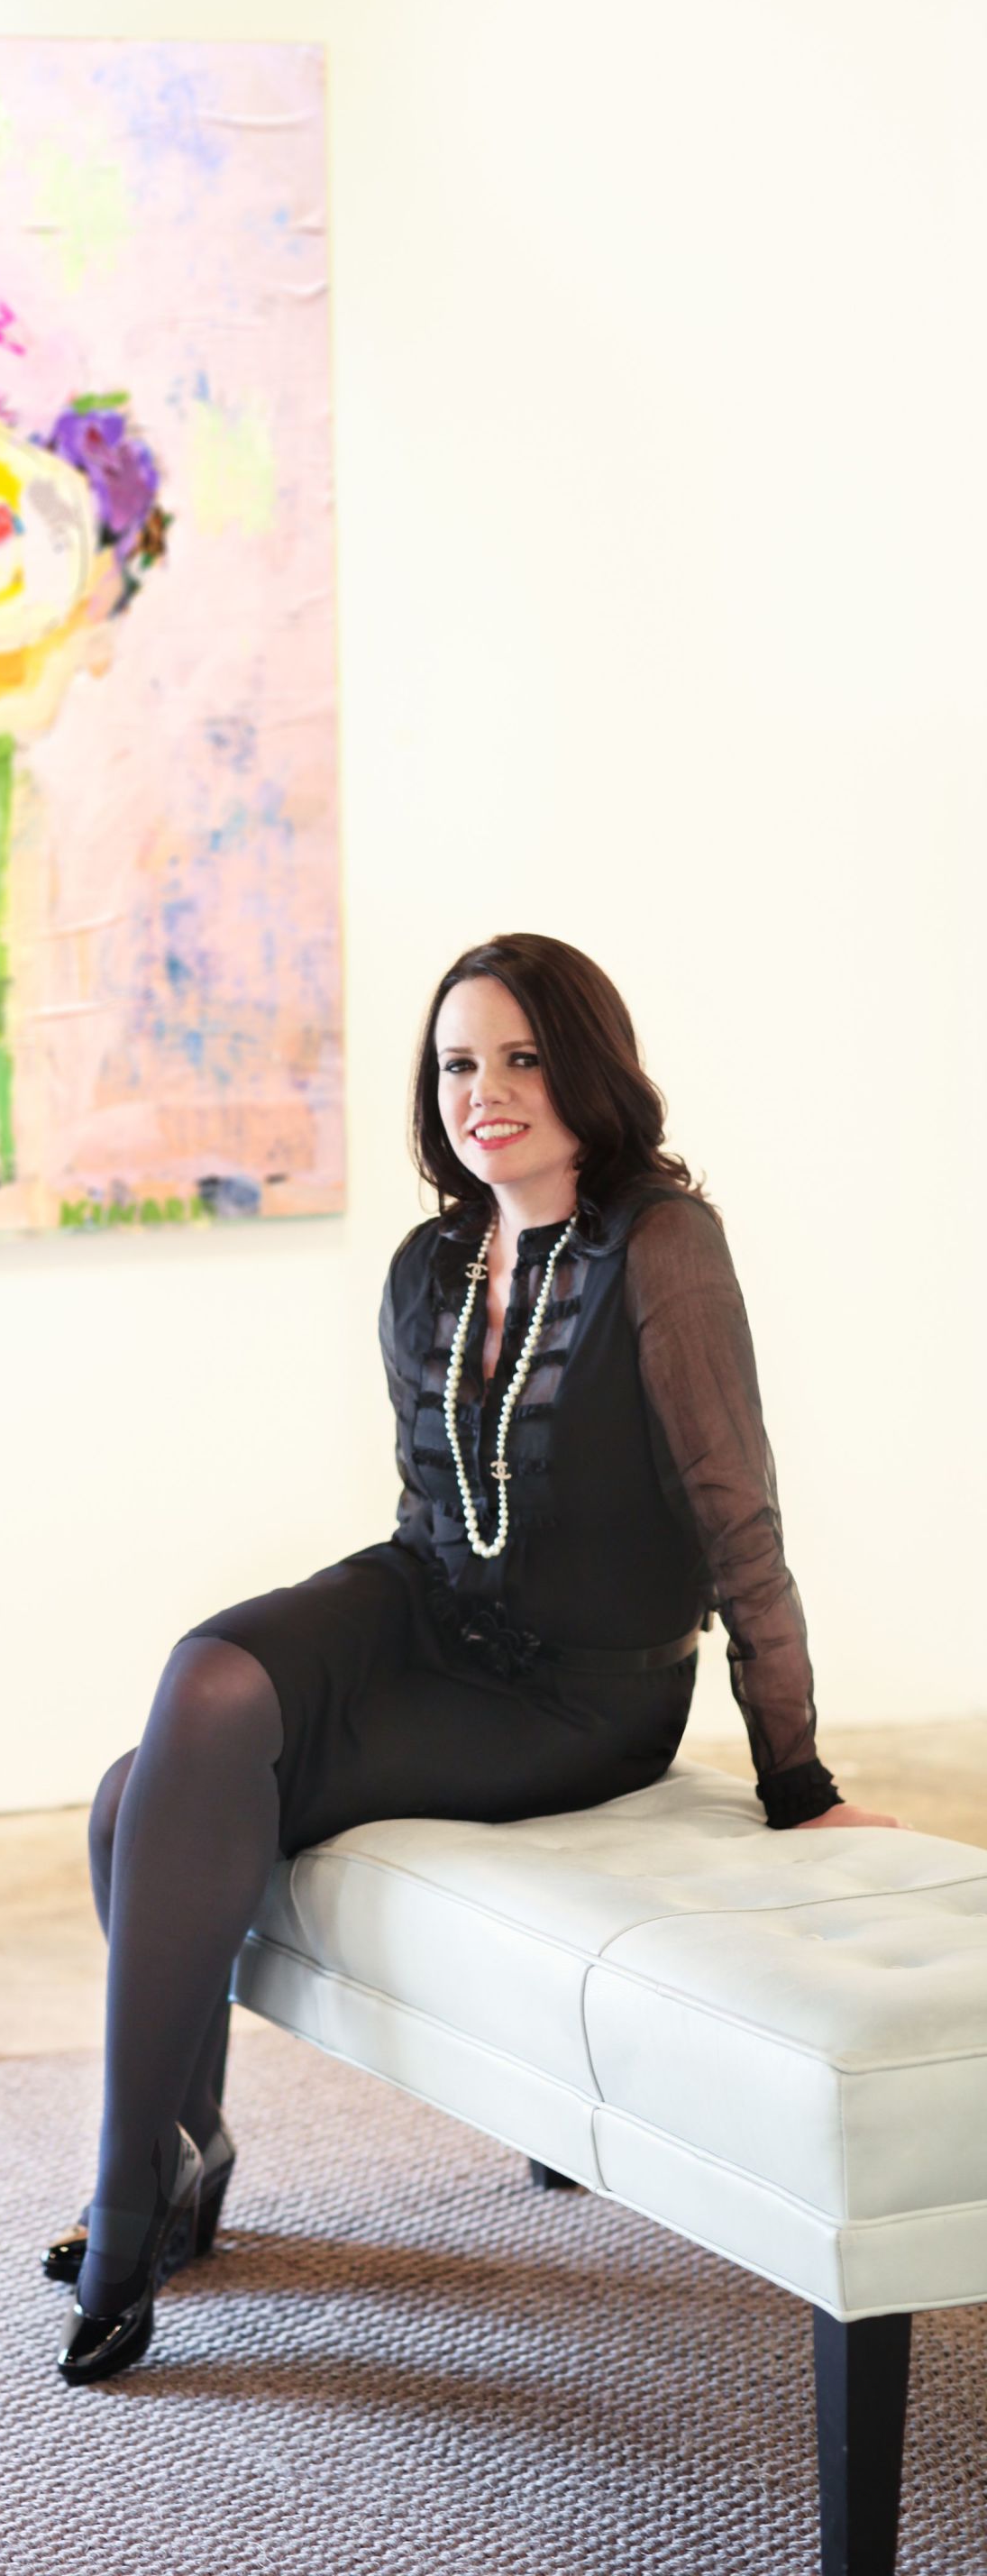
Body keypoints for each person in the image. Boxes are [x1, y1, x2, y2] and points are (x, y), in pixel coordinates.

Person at [49, 932, 902, 2387]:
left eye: (521, 1058)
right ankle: (177, 2161)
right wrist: (354, 1653)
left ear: (588, 1072)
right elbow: (431, 1514)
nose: (484, 1091)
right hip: (432, 1611)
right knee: (167, 1741)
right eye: (457, 1063)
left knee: (169, 1791)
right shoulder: (429, 1264)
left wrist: (795, 1768)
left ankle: (132, 2221)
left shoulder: (662, 1246)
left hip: (585, 1692)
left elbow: (736, 1513)